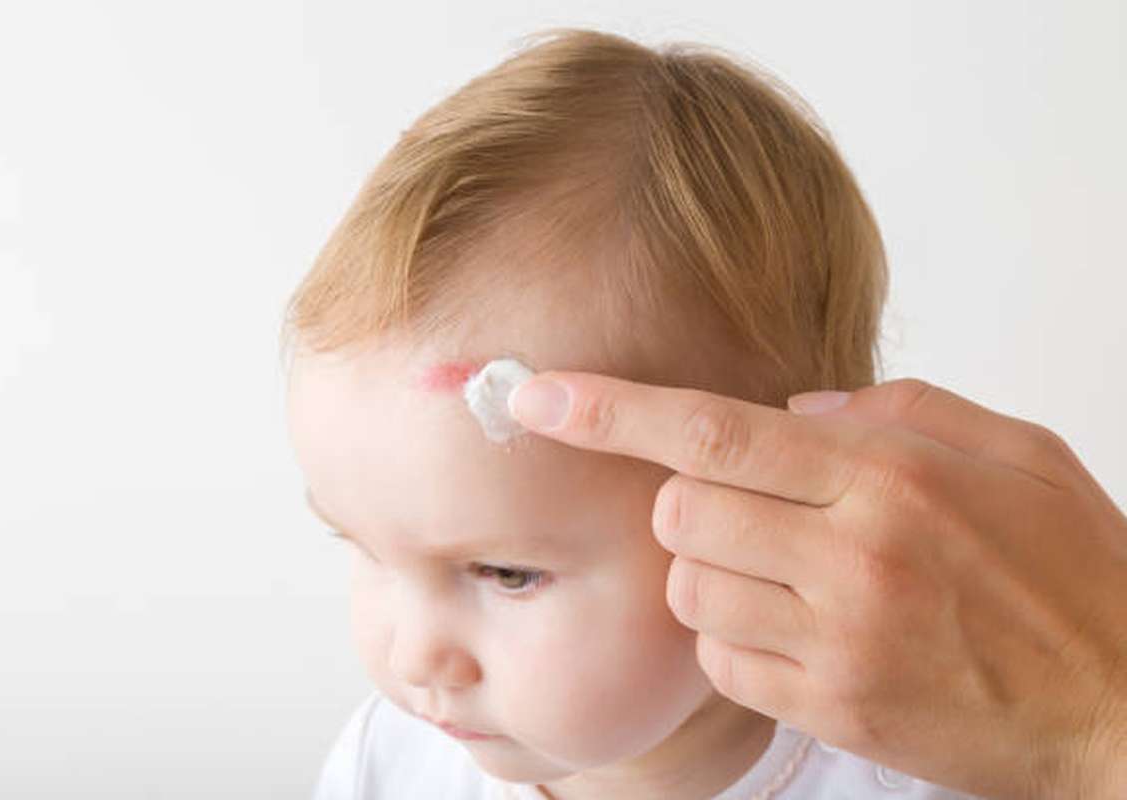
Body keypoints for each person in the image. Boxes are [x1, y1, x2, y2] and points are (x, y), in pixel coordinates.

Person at [281, 27, 1126, 799]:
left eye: (508, 574)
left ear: (774, 505)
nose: (411, 656)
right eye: (368, 552)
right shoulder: (388, 767)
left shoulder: (931, 767)